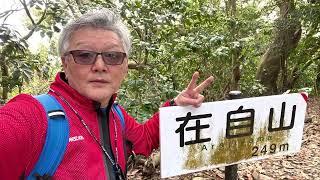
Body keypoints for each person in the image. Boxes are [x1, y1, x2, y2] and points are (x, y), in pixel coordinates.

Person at [0, 8, 214, 179]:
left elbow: (144, 140)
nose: (100, 65)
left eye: (112, 56)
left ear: (125, 66)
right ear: (65, 63)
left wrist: (176, 106)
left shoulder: (115, 115)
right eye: (84, 55)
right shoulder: (31, 118)